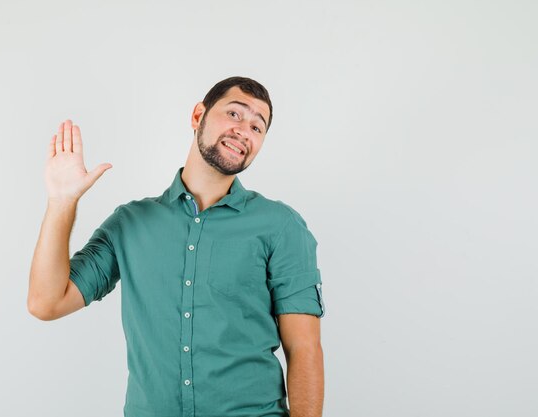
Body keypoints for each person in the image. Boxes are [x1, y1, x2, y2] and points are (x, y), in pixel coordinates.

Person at [28, 76, 326, 417]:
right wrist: (62, 201)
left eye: (258, 127)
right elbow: (46, 302)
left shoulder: (281, 226)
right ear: (198, 116)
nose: (244, 130)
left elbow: (303, 348)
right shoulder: (130, 223)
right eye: (234, 114)